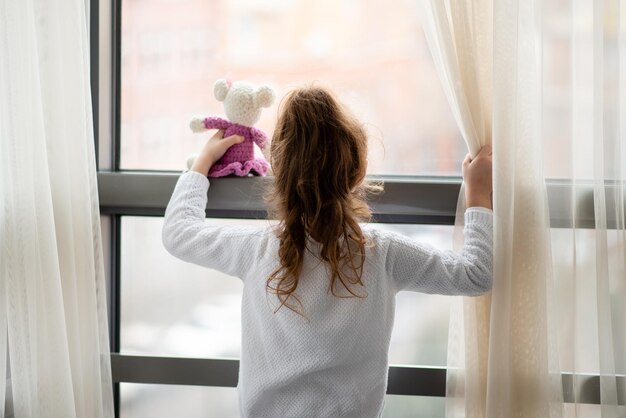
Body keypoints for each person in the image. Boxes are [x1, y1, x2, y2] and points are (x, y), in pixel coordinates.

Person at [162, 86, 493, 418]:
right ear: (358, 171)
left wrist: (202, 163)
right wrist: (478, 194)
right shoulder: (382, 253)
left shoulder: (257, 250)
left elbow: (178, 232)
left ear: (280, 173)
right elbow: (475, 274)